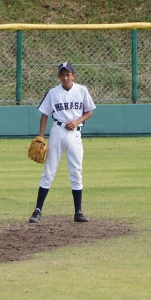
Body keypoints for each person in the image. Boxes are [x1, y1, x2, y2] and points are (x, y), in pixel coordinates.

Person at [29, 62, 96, 223]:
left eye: (68, 74)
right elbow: (44, 114)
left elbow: (89, 112)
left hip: (75, 134)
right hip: (57, 132)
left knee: (76, 171)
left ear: (73, 76)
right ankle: (37, 210)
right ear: (59, 77)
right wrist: (41, 137)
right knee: (49, 171)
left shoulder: (81, 90)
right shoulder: (53, 92)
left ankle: (78, 212)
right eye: (63, 75)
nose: (65, 78)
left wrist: (77, 121)